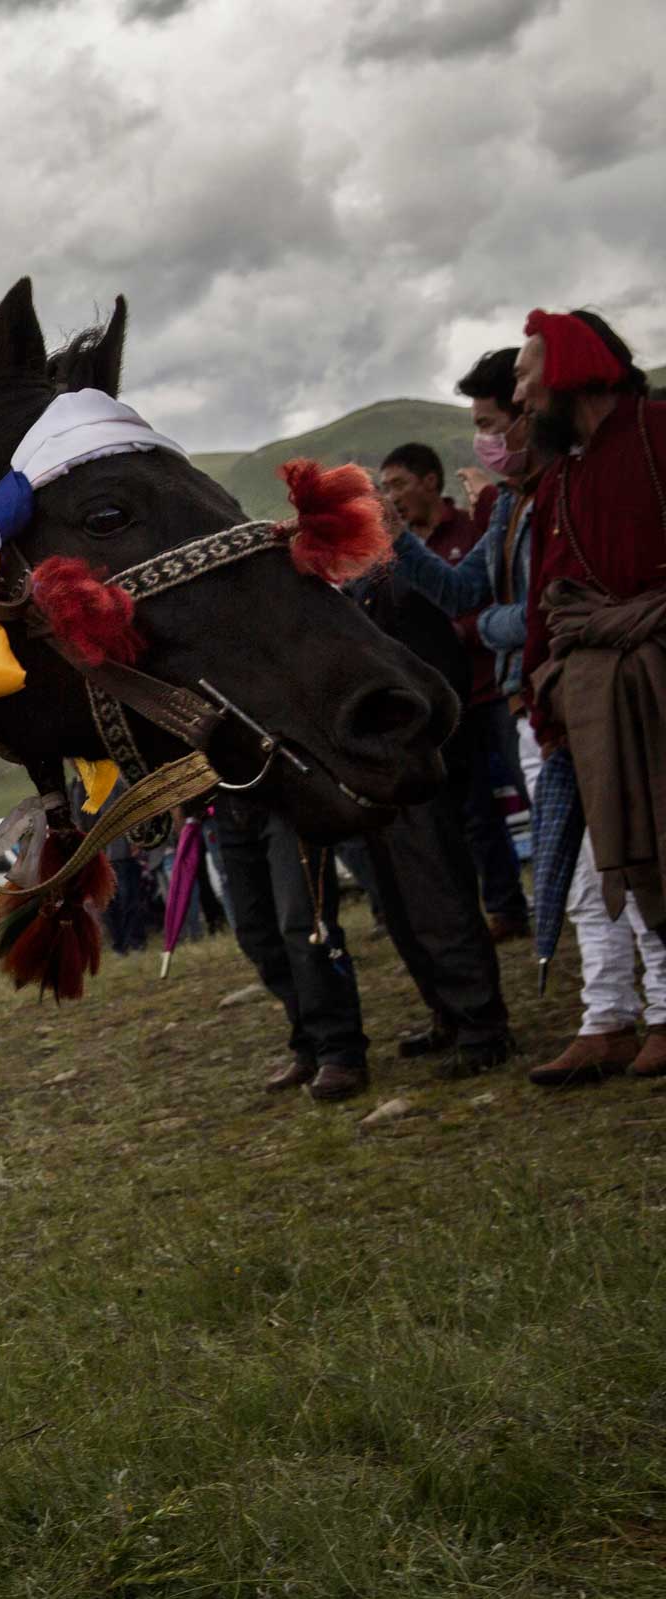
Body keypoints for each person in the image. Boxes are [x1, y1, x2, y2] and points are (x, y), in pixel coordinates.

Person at [515, 307, 666, 1081]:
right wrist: (547, 703)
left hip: (659, 677)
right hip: (594, 700)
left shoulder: (659, 432)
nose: (520, 392)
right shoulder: (562, 478)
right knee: (627, 862)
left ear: (569, 365)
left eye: (526, 372)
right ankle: (634, 1015)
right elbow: (550, 602)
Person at [346, 536, 514, 1075]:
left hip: (410, 771)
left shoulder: (398, 586)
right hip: (367, 778)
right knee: (399, 907)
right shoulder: (342, 596)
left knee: (439, 896)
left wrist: (417, 750)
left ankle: (482, 1027)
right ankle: (446, 1012)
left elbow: (440, 676)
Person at [382, 434, 526, 938]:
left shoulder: (473, 527)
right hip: (449, 708)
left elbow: (477, 594)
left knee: (528, 791)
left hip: (496, 691)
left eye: (399, 483)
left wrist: (459, 631)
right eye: (385, 488)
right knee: (475, 814)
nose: (394, 495)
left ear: (430, 481)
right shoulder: (398, 552)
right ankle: (505, 907)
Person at [215, 793, 369, 1100]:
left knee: (304, 924)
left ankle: (340, 1051)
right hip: (226, 799)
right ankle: (308, 1043)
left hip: (283, 788)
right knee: (256, 932)